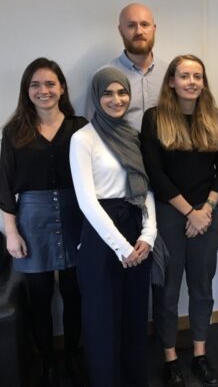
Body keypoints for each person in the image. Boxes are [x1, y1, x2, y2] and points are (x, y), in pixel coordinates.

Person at [141, 54, 218, 387]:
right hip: (169, 213)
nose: (192, 82)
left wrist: (205, 209)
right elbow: (156, 174)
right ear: (171, 82)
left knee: (202, 288)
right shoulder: (154, 118)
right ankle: (169, 358)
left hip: (208, 213)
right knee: (167, 289)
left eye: (197, 76)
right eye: (184, 76)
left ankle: (200, 355)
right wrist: (189, 212)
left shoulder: (214, 116)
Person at [0, 58, 87, 387]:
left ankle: (73, 356)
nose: (43, 90)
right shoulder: (14, 131)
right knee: (39, 296)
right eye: (35, 85)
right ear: (27, 91)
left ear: (62, 87)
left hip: (75, 214)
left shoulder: (80, 127)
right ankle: (48, 361)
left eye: (50, 83)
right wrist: (11, 233)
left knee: (74, 291)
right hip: (31, 218)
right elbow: (5, 186)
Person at [70, 67, 157, 387]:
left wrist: (148, 234)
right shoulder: (83, 139)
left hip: (136, 227)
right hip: (101, 234)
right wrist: (121, 247)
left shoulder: (132, 135)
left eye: (122, 92)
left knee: (135, 319)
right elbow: (86, 201)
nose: (116, 99)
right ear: (96, 96)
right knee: (103, 321)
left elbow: (144, 186)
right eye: (108, 93)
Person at [85, 3, 167, 130]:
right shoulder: (101, 77)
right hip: (119, 149)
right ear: (120, 30)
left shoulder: (170, 74)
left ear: (154, 29)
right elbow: (92, 127)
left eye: (145, 24)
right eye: (131, 26)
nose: (139, 31)